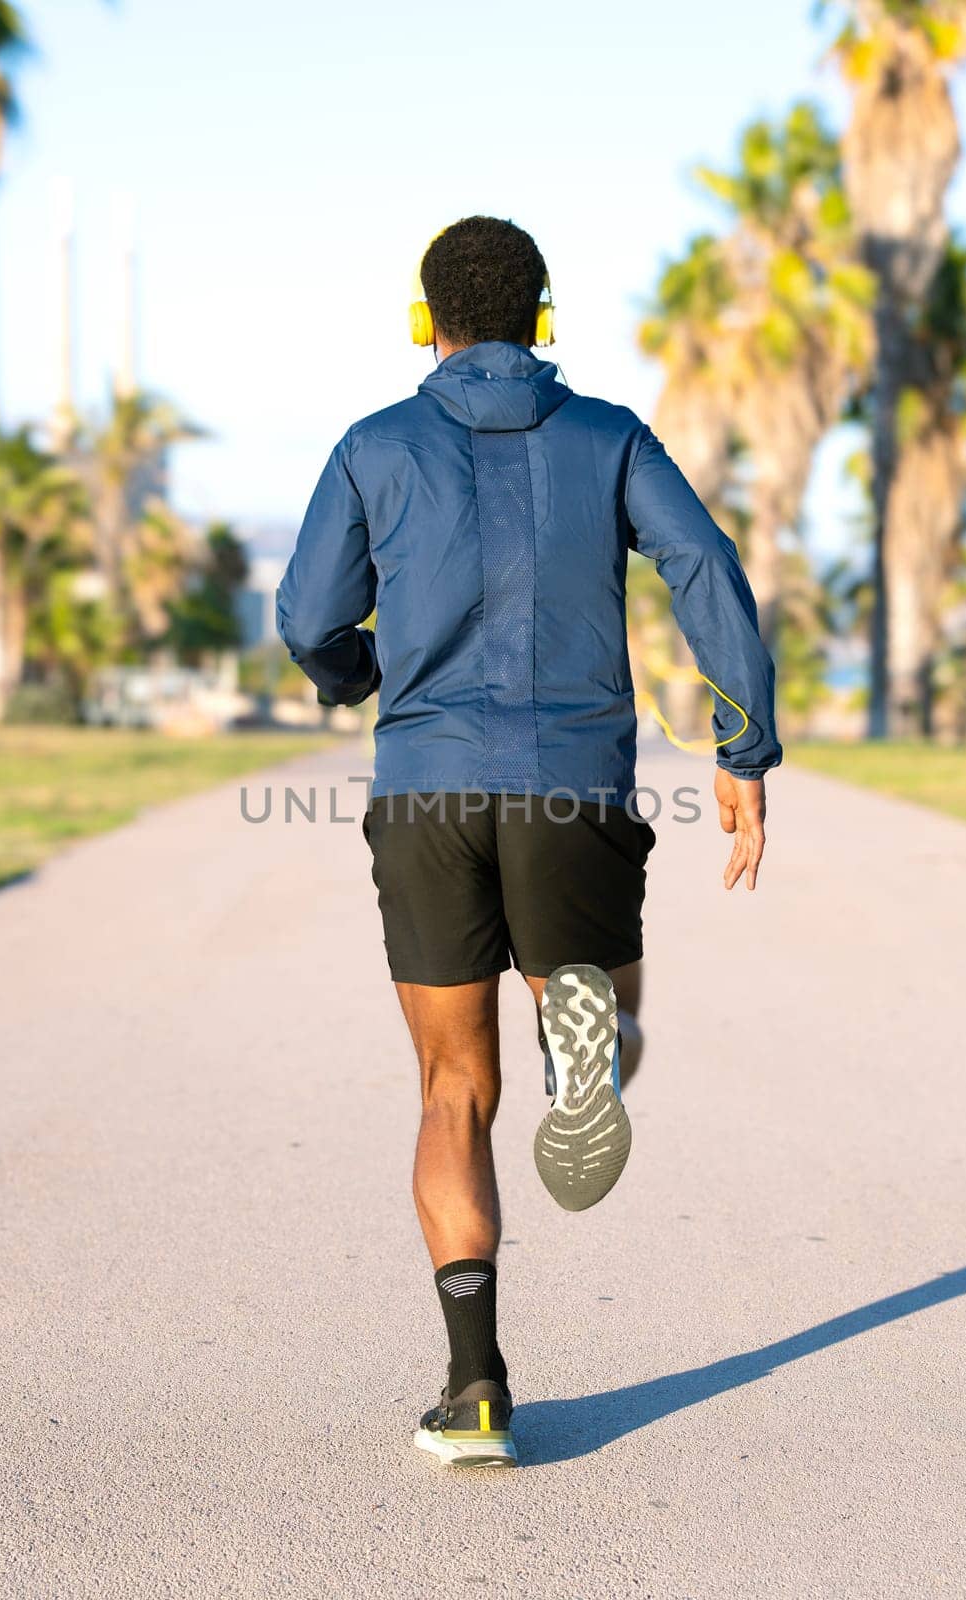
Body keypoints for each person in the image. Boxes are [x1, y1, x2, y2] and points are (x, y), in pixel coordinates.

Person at [276, 216, 781, 1468]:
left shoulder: (370, 446)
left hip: (429, 793)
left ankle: (476, 1387)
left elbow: (305, 616)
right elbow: (702, 563)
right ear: (542, 316)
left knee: (453, 1088)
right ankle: (587, 1048)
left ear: (423, 320)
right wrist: (739, 748)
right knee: (599, 997)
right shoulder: (609, 435)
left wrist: (355, 675)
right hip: (576, 791)